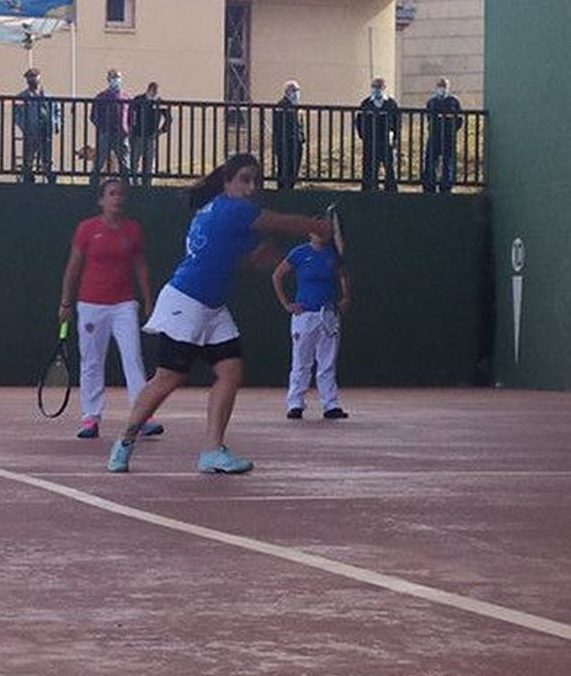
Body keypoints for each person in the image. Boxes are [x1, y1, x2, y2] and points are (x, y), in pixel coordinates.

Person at [107, 153, 330, 476]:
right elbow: (282, 223)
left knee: (230, 370)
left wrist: (258, 258)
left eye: (256, 180)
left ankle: (212, 451)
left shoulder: (215, 210)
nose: (251, 186)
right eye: (244, 179)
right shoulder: (232, 209)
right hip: (187, 301)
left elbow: (228, 257)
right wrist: (318, 227)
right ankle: (125, 441)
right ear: (227, 183)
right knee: (169, 378)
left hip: (211, 306)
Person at [57, 179, 160, 439]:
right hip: (91, 305)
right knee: (91, 361)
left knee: (133, 358)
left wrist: (148, 301)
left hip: (124, 305)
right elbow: (73, 267)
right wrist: (66, 303)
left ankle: (143, 415)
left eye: (121, 194)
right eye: (112, 194)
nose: (118, 198)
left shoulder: (133, 230)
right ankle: (90, 417)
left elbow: (141, 267)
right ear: (101, 200)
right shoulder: (87, 229)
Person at [272, 229, 351, 420]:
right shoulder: (299, 253)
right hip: (304, 315)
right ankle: (295, 404)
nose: (321, 235)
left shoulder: (333, 255)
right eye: (317, 232)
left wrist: (346, 298)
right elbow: (277, 276)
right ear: (310, 234)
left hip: (328, 314)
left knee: (327, 362)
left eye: (324, 232)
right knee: (301, 361)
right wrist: (286, 304)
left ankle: (331, 405)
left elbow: (344, 276)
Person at [13, 67, 61, 184]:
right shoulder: (22, 96)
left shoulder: (48, 96)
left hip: (45, 129)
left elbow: (57, 110)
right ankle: (28, 177)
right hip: (30, 130)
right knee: (29, 156)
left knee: (46, 156)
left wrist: (55, 124)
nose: (32, 80)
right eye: (30, 78)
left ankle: (50, 177)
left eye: (34, 77)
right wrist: (24, 126)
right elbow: (17, 114)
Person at [354, 78, 400, 191]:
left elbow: (397, 122)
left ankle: (390, 190)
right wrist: (363, 136)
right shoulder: (366, 103)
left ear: (384, 88)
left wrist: (394, 138)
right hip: (370, 141)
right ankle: (369, 188)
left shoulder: (391, 103)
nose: (377, 90)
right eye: (374, 87)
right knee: (369, 166)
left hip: (386, 141)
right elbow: (359, 121)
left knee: (389, 167)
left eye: (379, 87)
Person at [422, 76, 463, 193]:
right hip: (434, 135)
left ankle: (446, 185)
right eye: (440, 87)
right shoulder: (432, 102)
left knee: (448, 160)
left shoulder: (453, 101)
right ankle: (429, 184)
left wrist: (452, 129)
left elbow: (459, 120)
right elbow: (428, 118)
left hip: (448, 136)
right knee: (430, 159)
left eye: (444, 87)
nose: (442, 89)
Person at [90, 68, 131, 184]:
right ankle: (91, 187)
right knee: (99, 162)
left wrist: (128, 128)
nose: (115, 80)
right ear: (108, 80)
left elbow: (132, 117)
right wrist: (102, 127)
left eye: (117, 77)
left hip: (121, 134)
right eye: (113, 77)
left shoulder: (126, 97)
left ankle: (128, 188)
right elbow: (93, 116)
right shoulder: (101, 97)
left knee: (125, 164)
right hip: (105, 133)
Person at [128, 81, 171, 186]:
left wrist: (162, 130)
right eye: (153, 90)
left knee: (149, 162)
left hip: (151, 136)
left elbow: (168, 118)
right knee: (134, 160)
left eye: (156, 91)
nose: (154, 92)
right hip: (137, 135)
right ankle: (134, 184)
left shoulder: (159, 103)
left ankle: (147, 185)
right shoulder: (138, 100)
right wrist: (131, 128)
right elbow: (130, 114)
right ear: (148, 89)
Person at [271, 80, 305, 190]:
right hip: (286, 144)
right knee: (285, 170)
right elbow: (279, 126)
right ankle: (283, 190)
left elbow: (299, 124)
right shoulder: (282, 105)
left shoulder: (296, 106)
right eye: (294, 90)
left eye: (297, 90)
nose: (296, 93)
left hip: (296, 143)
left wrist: (302, 137)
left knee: (294, 170)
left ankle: (290, 187)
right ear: (287, 91)